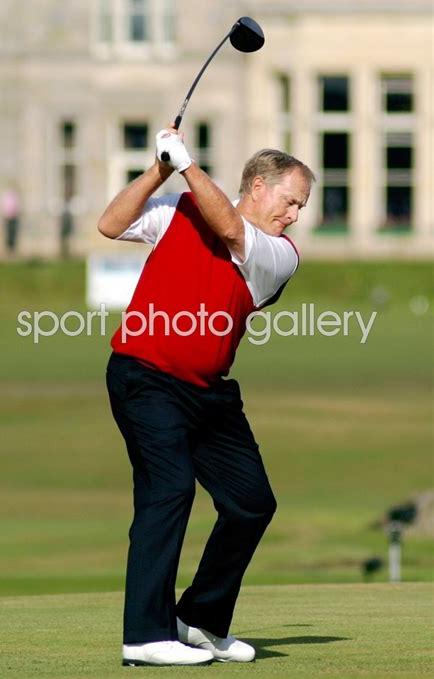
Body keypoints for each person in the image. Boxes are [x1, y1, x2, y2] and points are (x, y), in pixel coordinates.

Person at [98, 125, 314, 667]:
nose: (294, 215)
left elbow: (232, 231)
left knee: (251, 504)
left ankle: (198, 619)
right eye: (290, 201)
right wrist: (160, 169)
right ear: (258, 185)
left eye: (300, 207)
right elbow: (110, 223)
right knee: (168, 489)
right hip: (144, 377)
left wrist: (190, 166)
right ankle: (145, 635)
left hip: (209, 395)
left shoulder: (278, 253)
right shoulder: (178, 208)